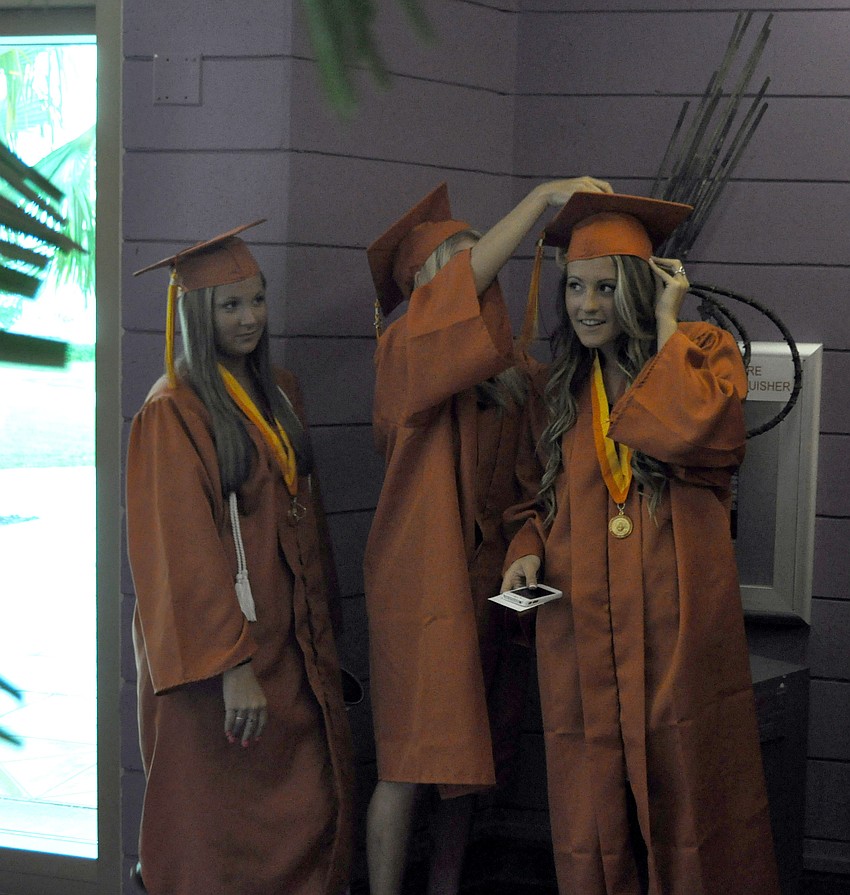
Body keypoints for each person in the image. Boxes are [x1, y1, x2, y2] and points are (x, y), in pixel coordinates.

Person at [501, 192, 781, 895]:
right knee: (592, 798)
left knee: (687, 787)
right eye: (575, 287)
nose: (587, 304)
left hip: (674, 619)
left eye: (605, 287)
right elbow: (536, 498)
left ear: (637, 288)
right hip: (584, 620)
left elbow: (704, 433)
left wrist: (666, 322)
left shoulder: (701, 354)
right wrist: (527, 549)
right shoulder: (560, 387)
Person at [363, 176, 612, 895]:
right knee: (407, 763)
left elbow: (530, 493)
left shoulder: (519, 379)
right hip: (418, 593)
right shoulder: (401, 358)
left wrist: (523, 551)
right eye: (467, 265)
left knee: (469, 768)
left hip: (485, 592)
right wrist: (537, 202)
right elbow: (448, 308)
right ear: (429, 292)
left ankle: (446, 887)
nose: (487, 277)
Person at [126, 222, 354, 895]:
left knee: (309, 810)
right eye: (230, 305)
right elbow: (180, 552)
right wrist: (232, 669)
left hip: (289, 649)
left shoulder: (277, 391)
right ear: (198, 314)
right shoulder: (173, 413)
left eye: (257, 300)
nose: (250, 317)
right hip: (220, 665)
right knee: (217, 833)